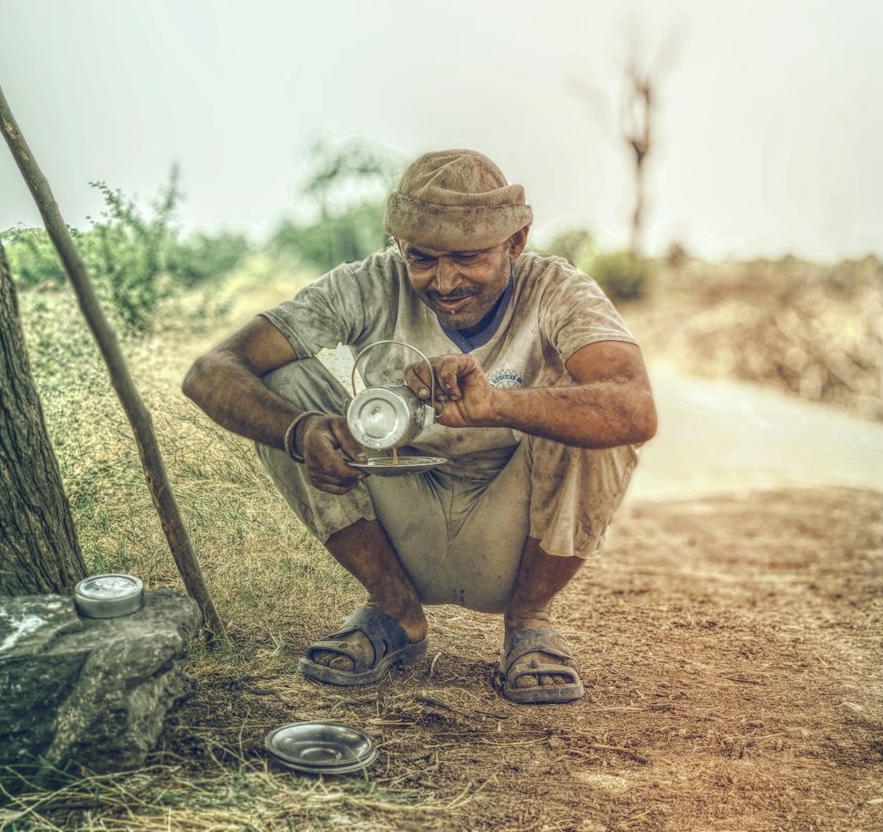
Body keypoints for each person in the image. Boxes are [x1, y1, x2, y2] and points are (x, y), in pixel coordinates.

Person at [183, 149, 656, 704]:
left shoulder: (555, 289)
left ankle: (529, 622)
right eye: (422, 258)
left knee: (594, 420)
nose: (445, 280)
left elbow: (635, 409)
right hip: (400, 520)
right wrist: (301, 432)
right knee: (285, 385)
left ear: (516, 243)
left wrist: (501, 405)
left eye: (468, 257)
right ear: (399, 248)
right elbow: (209, 372)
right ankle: (394, 612)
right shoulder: (368, 284)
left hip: (514, 536)